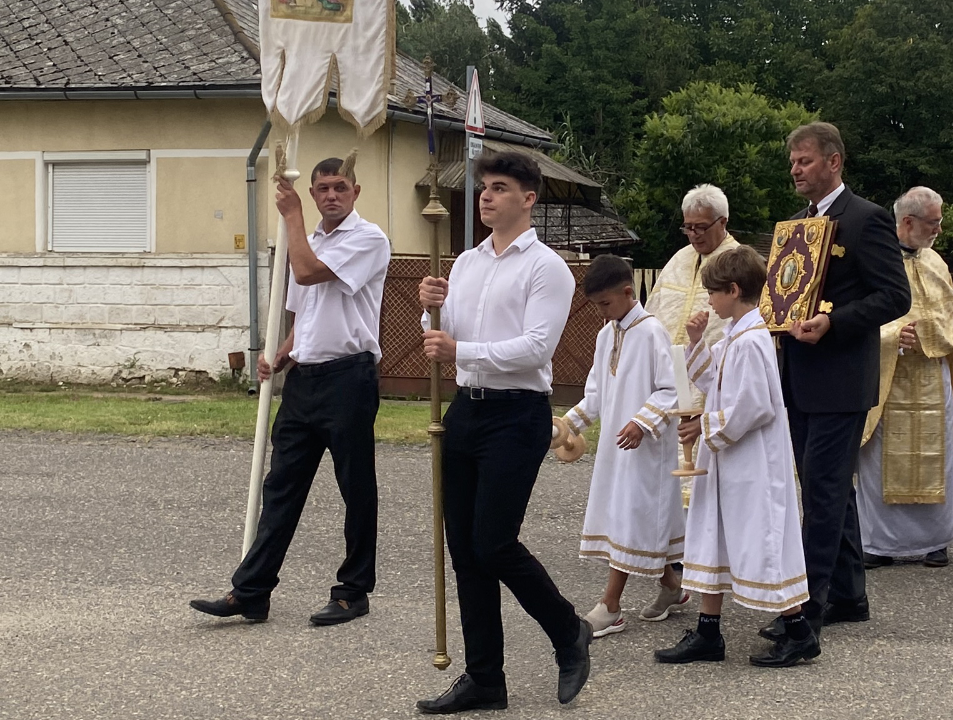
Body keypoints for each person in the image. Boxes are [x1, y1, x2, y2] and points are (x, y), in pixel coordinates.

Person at [415, 152, 591, 714]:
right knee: (465, 550)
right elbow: (443, 333)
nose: (486, 197)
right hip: (467, 408)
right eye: (484, 188)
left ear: (528, 199)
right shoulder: (466, 263)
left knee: (494, 542)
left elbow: (538, 349)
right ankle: (485, 677)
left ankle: (568, 631)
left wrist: (459, 348)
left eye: (499, 188)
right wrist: (429, 311)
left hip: (518, 415)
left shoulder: (547, 268)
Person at [190, 157, 390, 626]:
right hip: (306, 380)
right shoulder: (305, 239)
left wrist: (291, 216)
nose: (331, 195)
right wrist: (282, 353)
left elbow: (307, 273)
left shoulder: (368, 239)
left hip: (349, 377)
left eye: (340, 187)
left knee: (355, 487)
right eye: (322, 188)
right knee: (280, 485)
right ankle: (252, 590)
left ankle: (353, 590)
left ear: (356, 192)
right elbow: (305, 315)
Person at [760, 121, 912, 646]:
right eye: (793, 162)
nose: (796, 169)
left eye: (804, 160)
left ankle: (805, 615)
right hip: (800, 377)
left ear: (834, 162)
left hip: (842, 379)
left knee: (822, 497)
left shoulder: (866, 219)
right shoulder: (797, 225)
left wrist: (834, 322)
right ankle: (850, 595)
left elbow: (896, 297)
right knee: (828, 490)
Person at [653, 246, 814, 668]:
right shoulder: (735, 335)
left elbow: (754, 404)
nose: (708, 300)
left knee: (761, 539)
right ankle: (708, 632)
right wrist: (693, 343)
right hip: (726, 457)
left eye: (713, 292)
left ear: (734, 289)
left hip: (751, 460)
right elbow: (716, 382)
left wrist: (704, 427)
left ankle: (800, 633)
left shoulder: (753, 339)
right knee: (713, 534)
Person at [856, 187, 953, 570]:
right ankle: (879, 543)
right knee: (880, 460)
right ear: (907, 222)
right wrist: (890, 337)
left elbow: (952, 314)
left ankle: (936, 540)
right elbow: (857, 314)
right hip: (888, 377)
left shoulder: (934, 260)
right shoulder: (871, 258)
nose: (938, 229)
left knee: (938, 456)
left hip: (933, 379)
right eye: (933, 223)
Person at [561, 255, 689, 638]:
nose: (602, 313)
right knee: (628, 520)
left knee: (632, 520)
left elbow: (673, 389)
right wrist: (567, 426)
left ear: (627, 293)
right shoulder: (606, 335)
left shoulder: (652, 332)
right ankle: (671, 585)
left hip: (648, 448)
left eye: (605, 304)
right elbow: (597, 392)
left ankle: (611, 606)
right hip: (616, 450)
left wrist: (641, 422)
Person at [647, 184, 741, 353]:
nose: (693, 234)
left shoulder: (740, 262)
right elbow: (654, 312)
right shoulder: (678, 259)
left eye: (701, 227)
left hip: (716, 366)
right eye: (688, 227)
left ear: (722, 222)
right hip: (667, 367)